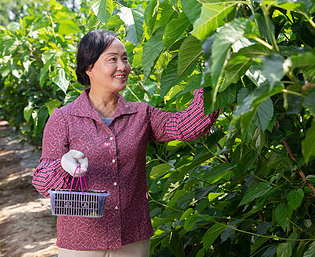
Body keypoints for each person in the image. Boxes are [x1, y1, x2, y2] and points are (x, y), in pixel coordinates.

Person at [32, 29, 218, 256]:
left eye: (125, 59)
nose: (123, 67)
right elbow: (42, 182)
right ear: (89, 68)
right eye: (113, 59)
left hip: (132, 238)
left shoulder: (141, 114)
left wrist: (214, 72)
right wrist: (62, 165)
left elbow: (187, 125)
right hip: (80, 243)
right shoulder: (63, 118)